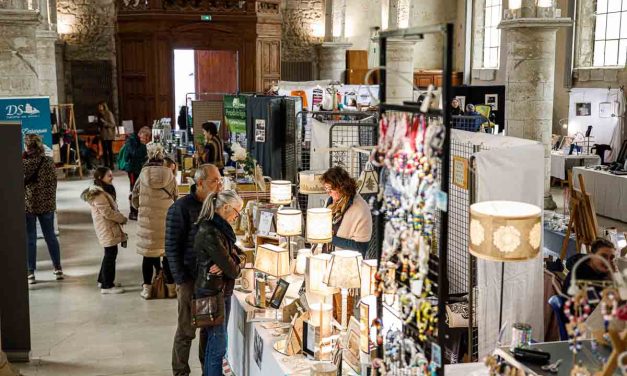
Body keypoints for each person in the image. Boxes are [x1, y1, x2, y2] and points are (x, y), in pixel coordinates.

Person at [166, 164, 223, 376]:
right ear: (199, 183)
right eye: (214, 181)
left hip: (210, 280)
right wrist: (181, 280)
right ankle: (180, 372)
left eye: (220, 180)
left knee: (208, 329)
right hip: (189, 278)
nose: (219, 185)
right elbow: (171, 247)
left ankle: (207, 369)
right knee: (186, 330)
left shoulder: (216, 205)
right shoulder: (180, 208)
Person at [193, 190, 244, 376]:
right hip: (212, 294)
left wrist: (232, 259)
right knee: (217, 344)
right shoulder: (211, 232)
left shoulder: (219, 230)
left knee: (213, 341)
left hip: (219, 291)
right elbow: (234, 271)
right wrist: (232, 263)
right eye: (237, 212)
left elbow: (240, 256)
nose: (237, 217)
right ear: (226, 208)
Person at [132, 142, 178, 299]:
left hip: (148, 221)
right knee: (167, 256)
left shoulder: (142, 174)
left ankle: (147, 289)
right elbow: (175, 196)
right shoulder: (169, 175)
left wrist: (142, 207)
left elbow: (135, 196)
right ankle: (171, 288)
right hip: (166, 220)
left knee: (148, 255)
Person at [23, 134, 63, 284]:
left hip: (29, 205)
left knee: (30, 238)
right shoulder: (48, 161)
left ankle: (30, 272)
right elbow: (54, 182)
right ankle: (58, 268)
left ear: (27, 147)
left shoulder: (24, 164)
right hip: (47, 204)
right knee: (50, 236)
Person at [81, 167, 128, 294]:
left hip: (108, 227)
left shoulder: (102, 191)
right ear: (100, 178)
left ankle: (103, 280)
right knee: (110, 255)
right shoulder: (99, 194)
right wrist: (122, 218)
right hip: (107, 228)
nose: (112, 177)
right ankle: (107, 286)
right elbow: (107, 213)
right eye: (109, 176)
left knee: (109, 253)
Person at [320, 166, 373, 257]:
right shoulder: (331, 202)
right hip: (327, 257)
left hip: (346, 262)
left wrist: (330, 239)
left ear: (341, 187)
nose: (328, 192)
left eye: (330, 189)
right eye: (326, 189)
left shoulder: (360, 209)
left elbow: (361, 247)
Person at [121, 126, 151, 220]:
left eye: (147, 137)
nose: (145, 139)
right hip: (132, 169)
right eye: (144, 136)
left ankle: (138, 209)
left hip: (138, 168)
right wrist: (144, 146)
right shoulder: (132, 141)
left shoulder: (138, 141)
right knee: (133, 189)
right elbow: (134, 154)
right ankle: (132, 212)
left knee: (140, 189)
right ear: (139, 134)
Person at [97, 101, 117, 169]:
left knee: (109, 150)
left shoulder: (108, 113)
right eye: (99, 106)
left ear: (104, 106)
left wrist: (104, 122)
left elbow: (113, 124)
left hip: (108, 135)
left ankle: (111, 165)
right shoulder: (99, 114)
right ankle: (106, 164)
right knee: (104, 151)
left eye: (100, 106)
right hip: (103, 135)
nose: (99, 107)